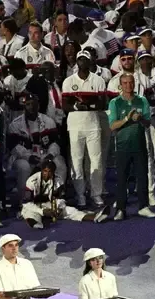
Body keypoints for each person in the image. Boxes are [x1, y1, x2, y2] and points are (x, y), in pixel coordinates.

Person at [108, 73, 155, 221]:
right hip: (122, 146)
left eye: (131, 82)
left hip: (139, 144)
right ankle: (120, 209)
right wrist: (126, 119)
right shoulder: (115, 102)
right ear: (120, 85)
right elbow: (112, 126)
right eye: (125, 83)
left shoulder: (142, 100)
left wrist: (140, 118)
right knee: (122, 178)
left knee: (142, 176)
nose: (128, 85)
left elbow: (148, 123)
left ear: (134, 83)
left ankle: (143, 207)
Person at [62, 51, 107, 208]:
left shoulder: (98, 80)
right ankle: (80, 194)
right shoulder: (68, 81)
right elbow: (65, 105)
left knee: (96, 161)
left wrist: (86, 105)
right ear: (77, 61)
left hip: (93, 126)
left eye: (85, 59)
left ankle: (96, 194)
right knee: (77, 161)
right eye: (79, 59)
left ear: (89, 61)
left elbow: (102, 104)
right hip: (75, 127)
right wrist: (76, 106)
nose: (82, 62)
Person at [21, 159, 109, 228]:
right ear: (41, 170)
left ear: (54, 172)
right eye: (45, 171)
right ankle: (35, 223)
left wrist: (59, 208)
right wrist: (42, 211)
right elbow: (26, 203)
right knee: (29, 212)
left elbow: (61, 198)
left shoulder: (59, 180)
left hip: (50, 206)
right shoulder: (32, 181)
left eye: (50, 172)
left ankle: (95, 217)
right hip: (35, 205)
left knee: (70, 210)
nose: (47, 174)